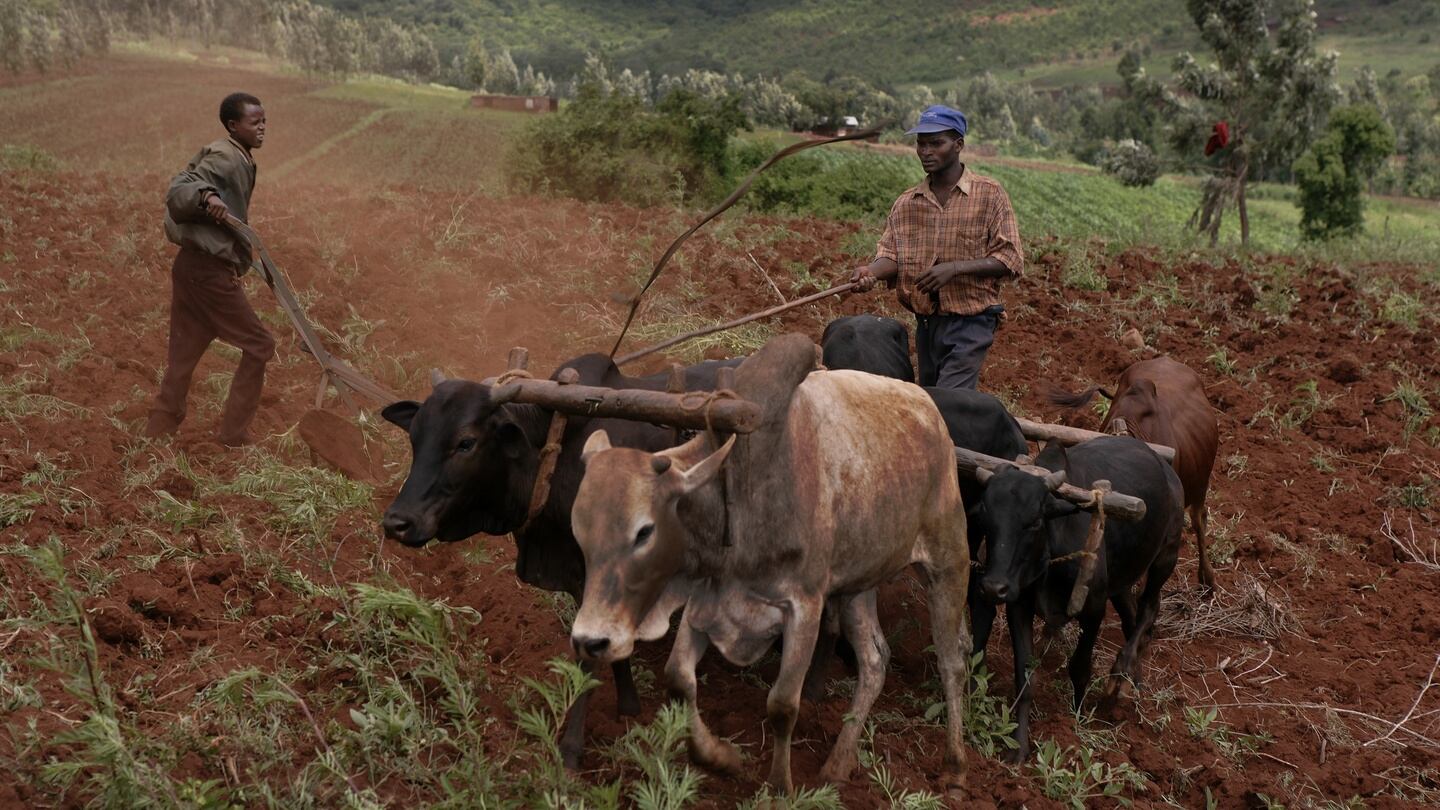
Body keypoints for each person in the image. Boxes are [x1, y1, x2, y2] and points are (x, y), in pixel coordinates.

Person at [849, 105, 1024, 390]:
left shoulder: (989, 195)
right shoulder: (907, 203)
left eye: (936, 143)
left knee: (948, 400)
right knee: (930, 399)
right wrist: (870, 271)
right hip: (928, 324)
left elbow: (1011, 259)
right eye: (921, 143)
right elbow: (892, 256)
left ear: (958, 145)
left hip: (972, 322)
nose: (925, 151)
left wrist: (953, 269)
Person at [144, 92, 275, 447]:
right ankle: (234, 436)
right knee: (260, 344)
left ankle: (158, 430)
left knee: (185, 353)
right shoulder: (225, 156)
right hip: (207, 273)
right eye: (254, 122)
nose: (262, 128)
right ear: (234, 126)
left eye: (264, 121)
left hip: (192, 268)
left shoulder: (240, 157)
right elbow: (180, 188)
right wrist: (207, 196)